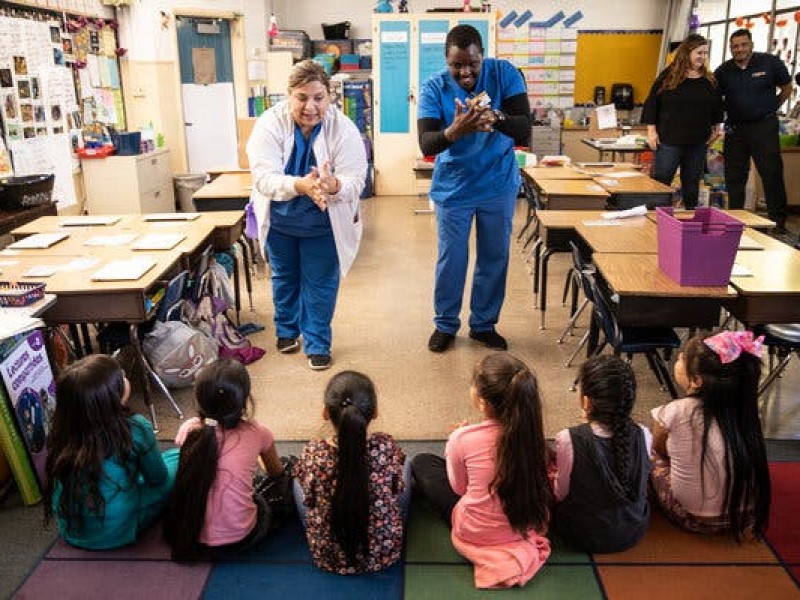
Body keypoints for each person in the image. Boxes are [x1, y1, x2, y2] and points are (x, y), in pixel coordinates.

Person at [246, 60, 367, 371]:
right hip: (281, 222)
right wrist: (300, 185)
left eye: (318, 97)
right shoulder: (269, 124)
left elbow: (356, 179)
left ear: (329, 96)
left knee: (320, 284)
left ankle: (317, 343)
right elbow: (263, 178)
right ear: (288, 96)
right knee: (284, 278)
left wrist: (333, 184)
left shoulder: (344, 129)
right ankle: (286, 330)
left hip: (323, 224)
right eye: (302, 98)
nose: (311, 107)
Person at [417, 24, 531, 353]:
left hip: (497, 183)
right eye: (457, 65)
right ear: (446, 61)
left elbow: (523, 128)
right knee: (452, 257)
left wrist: (494, 117)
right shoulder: (432, 87)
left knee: (494, 255)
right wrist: (456, 130)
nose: (465, 72)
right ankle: (445, 323)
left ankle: (483, 323)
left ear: (482, 57)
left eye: (472, 64)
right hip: (455, 187)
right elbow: (426, 142)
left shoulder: (504, 73)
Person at [411, 353, 551, 588]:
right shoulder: (533, 435)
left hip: (476, 531)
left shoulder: (462, 439)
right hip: (523, 525)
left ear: (483, 402)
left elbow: (459, 488)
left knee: (422, 462)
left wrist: (455, 442)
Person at [43, 355, 178, 550]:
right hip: (117, 529)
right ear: (114, 395)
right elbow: (158, 479)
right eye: (122, 377)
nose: (125, 379)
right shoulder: (136, 428)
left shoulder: (61, 430)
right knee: (179, 458)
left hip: (72, 532)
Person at [650, 331, 771, 540]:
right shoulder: (746, 410)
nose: (678, 360)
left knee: (647, 452)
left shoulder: (676, 410)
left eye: (681, 358)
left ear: (696, 380)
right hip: (745, 515)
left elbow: (658, 448)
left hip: (696, 518)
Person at [163, 359, 284, 561]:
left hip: (190, 536)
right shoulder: (258, 433)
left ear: (199, 399)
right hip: (240, 538)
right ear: (244, 400)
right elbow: (276, 472)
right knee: (284, 475)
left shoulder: (189, 429)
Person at [292, 370, 408, 574]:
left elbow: (309, 499)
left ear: (325, 412)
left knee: (296, 479)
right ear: (374, 412)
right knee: (407, 467)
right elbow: (397, 488)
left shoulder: (313, 453)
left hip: (328, 556)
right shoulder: (386, 446)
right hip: (383, 552)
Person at [552, 355, 651, 553]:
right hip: (632, 531)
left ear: (586, 402)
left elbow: (559, 493)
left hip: (580, 534)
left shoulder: (569, 438)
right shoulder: (644, 434)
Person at [715, 28, 793, 233]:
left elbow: (787, 87)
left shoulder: (770, 63)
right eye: (735, 46)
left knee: (771, 174)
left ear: (751, 44)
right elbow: (714, 98)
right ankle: (735, 221)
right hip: (736, 129)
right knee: (734, 177)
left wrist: (773, 106)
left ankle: (778, 223)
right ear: (731, 48)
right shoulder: (723, 71)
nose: (739, 49)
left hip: (764, 126)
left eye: (743, 44)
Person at [641, 33, 723, 209]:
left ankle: (690, 220)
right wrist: (651, 131)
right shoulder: (669, 76)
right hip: (670, 140)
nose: (702, 57)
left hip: (697, 141)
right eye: (699, 53)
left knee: (692, 184)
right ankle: (656, 217)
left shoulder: (709, 80)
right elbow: (652, 102)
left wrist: (717, 127)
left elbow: (716, 105)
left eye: (705, 53)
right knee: (662, 182)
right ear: (687, 52)